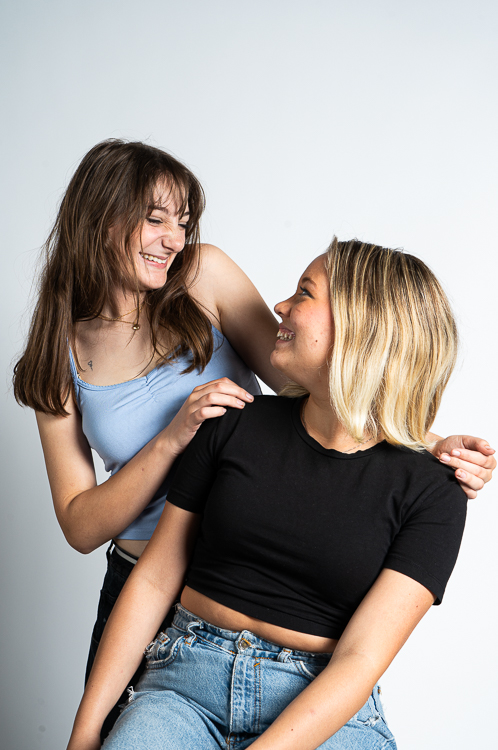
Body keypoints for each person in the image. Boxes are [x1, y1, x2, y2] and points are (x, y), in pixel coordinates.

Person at [13, 139, 493, 730]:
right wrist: (172, 438)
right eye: (156, 219)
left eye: (183, 222)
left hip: (237, 561)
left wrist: (423, 442)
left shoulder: (203, 275)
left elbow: (324, 373)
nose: (174, 239)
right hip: (142, 580)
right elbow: (81, 525)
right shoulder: (56, 354)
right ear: (98, 219)